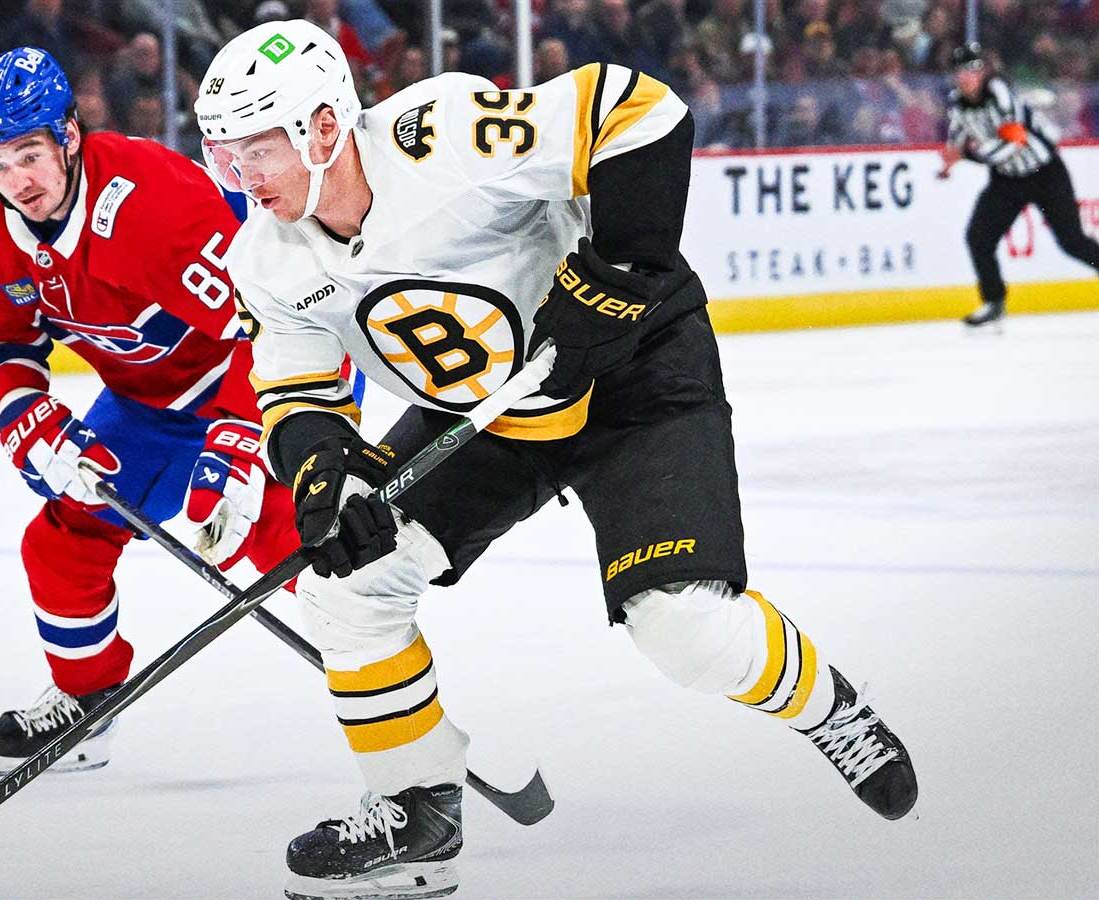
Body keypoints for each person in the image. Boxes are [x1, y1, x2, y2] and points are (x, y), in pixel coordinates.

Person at [196, 20, 919, 899]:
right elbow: (297, 392)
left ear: (320, 128)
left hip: (632, 368)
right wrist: (326, 481)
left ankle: (830, 709)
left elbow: (638, 111)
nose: (242, 177)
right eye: (225, 155)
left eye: (257, 151)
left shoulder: (440, 136)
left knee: (685, 631)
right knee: (349, 587)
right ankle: (416, 813)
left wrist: (618, 268)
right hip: (490, 412)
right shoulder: (264, 257)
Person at [0, 47, 313, 775]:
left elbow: (269, 324)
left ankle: (385, 685)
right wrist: (29, 420)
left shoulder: (154, 202)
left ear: (69, 135)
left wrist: (242, 438)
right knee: (61, 541)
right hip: (149, 402)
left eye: (30, 152)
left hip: (272, 376)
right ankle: (88, 700)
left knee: (288, 547)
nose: (17, 179)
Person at [939, 42, 1099, 327]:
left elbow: (1015, 142)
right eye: (961, 71)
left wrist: (970, 154)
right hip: (1007, 180)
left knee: (1072, 241)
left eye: (973, 69)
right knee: (979, 238)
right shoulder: (957, 101)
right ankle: (994, 301)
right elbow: (959, 129)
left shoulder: (998, 93)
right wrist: (951, 157)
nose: (966, 76)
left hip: (1044, 173)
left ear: (983, 72)